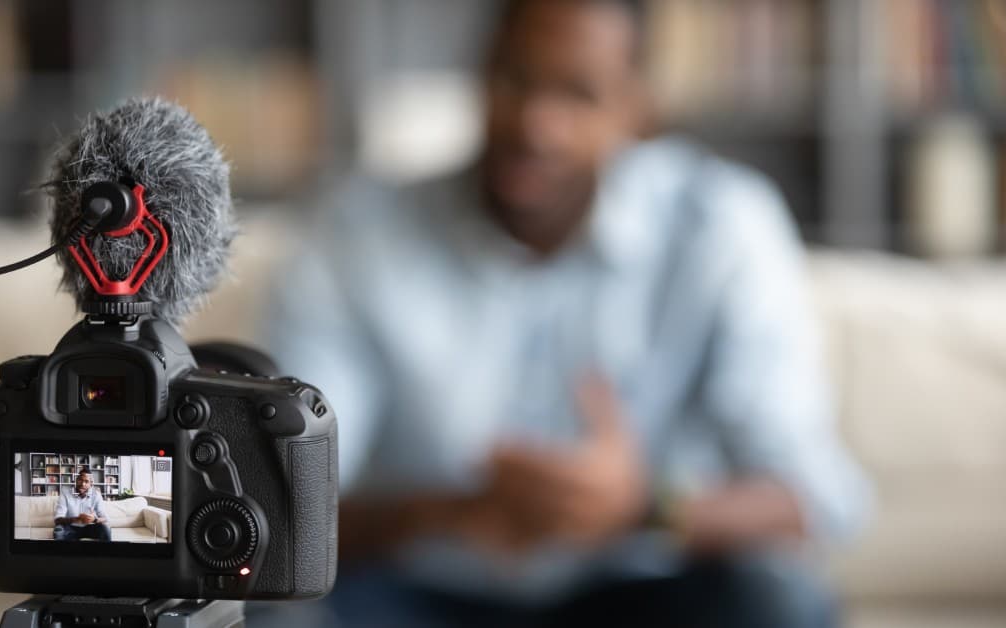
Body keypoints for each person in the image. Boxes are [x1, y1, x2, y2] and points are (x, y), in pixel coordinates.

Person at [259, 0, 870, 626]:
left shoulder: (722, 225)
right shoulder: (356, 234)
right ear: (480, 73)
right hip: (420, 592)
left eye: (578, 93)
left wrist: (642, 509)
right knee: (272, 608)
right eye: (515, 80)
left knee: (780, 599)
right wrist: (451, 513)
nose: (535, 124)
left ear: (638, 109)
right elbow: (283, 503)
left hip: (643, 590)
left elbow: (815, 500)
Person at [53, 469, 111, 542]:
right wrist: (76, 519)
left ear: (91, 484)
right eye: (80, 480)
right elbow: (57, 520)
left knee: (105, 529)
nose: (83, 484)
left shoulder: (96, 495)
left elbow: (106, 518)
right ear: (76, 480)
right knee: (58, 531)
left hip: (91, 527)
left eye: (86, 481)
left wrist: (95, 519)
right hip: (70, 528)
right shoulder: (65, 494)